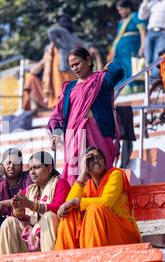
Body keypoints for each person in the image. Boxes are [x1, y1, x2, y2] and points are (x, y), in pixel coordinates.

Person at [47, 47, 124, 186]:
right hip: (73, 135)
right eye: (72, 66)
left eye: (77, 63)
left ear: (88, 60)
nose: (75, 68)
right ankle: (76, 204)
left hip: (98, 133)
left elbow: (118, 71)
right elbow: (57, 114)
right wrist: (56, 132)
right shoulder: (68, 87)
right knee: (75, 174)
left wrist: (109, 64)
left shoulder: (101, 80)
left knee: (100, 169)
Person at [55, 147, 141, 250]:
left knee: (94, 209)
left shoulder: (116, 174)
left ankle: (94, 256)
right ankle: (64, 257)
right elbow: (68, 203)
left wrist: (77, 202)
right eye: (91, 158)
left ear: (104, 162)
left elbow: (106, 202)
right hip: (99, 235)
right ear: (85, 164)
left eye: (99, 157)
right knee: (69, 213)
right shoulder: (87, 185)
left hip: (122, 233)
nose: (96, 160)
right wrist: (83, 173)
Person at [0, 151, 71, 254]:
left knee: (48, 216)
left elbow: (59, 208)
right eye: (30, 168)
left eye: (36, 167)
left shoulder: (60, 183)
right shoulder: (29, 190)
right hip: (31, 238)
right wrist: (19, 210)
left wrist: (31, 205)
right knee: (8, 223)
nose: (31, 172)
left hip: (55, 237)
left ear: (49, 168)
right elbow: (18, 215)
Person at [111, 0, 146, 168]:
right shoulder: (120, 23)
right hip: (121, 51)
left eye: (121, 9)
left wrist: (142, 47)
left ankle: (134, 88)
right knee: (122, 71)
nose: (120, 12)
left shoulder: (135, 17)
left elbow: (142, 32)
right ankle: (124, 89)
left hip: (132, 47)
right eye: (118, 10)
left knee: (132, 69)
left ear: (127, 8)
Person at [42, 14, 103, 109]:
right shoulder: (62, 31)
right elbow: (50, 32)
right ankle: (61, 105)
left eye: (67, 22)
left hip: (72, 63)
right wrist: (58, 45)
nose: (66, 24)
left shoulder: (73, 35)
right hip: (61, 63)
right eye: (63, 22)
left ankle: (70, 103)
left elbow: (81, 44)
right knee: (61, 85)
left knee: (71, 84)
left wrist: (90, 47)